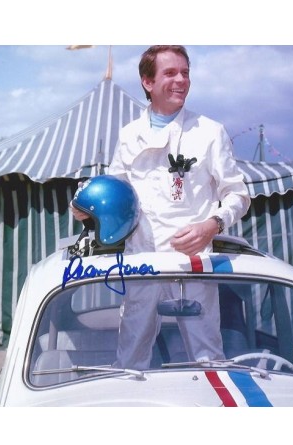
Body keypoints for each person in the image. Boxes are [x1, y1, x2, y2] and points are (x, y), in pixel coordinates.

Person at [71, 45, 251, 369]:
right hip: (141, 262)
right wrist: (88, 212)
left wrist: (212, 225)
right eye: (170, 73)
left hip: (191, 262)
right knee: (130, 358)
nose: (181, 80)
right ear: (148, 82)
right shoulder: (129, 135)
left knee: (207, 359)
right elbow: (116, 193)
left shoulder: (210, 132)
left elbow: (238, 195)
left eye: (185, 73)